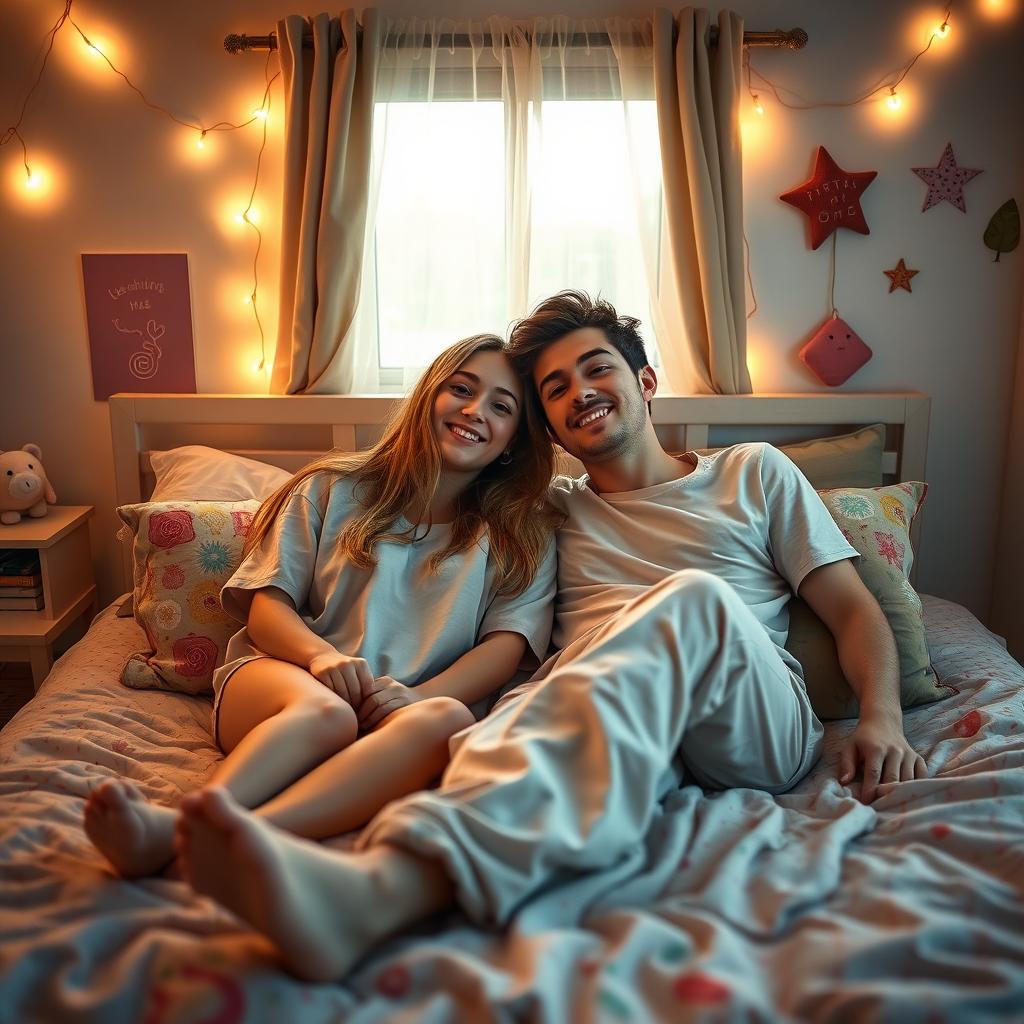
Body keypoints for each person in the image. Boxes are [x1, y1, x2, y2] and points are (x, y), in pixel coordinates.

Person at [169, 292, 927, 983]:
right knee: (512, 730)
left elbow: (855, 610)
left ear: (647, 382)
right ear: (545, 427)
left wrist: (882, 717)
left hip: (749, 716)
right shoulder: (542, 513)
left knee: (691, 598)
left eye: (595, 370)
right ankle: (374, 892)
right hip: (612, 716)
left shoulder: (753, 472)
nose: (578, 394)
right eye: (554, 389)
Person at [84, 334, 559, 880]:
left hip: (401, 711)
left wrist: (415, 695)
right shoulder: (331, 486)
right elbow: (265, 607)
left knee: (450, 719)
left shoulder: (524, 532)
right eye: (461, 389)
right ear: (429, 396)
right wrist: (320, 659)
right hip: (285, 681)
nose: (475, 411)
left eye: (502, 406)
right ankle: (180, 822)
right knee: (327, 713)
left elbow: (506, 648)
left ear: (513, 440)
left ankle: (234, 837)